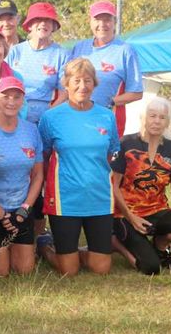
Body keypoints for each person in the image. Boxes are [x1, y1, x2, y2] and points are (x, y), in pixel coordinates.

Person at [37, 58, 120, 276]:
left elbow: (110, 153)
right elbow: (45, 155)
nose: (82, 86)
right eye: (76, 80)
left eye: (88, 81)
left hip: (99, 197)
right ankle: (46, 247)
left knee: (100, 268)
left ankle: (81, 253)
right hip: (65, 199)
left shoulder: (106, 116)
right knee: (69, 271)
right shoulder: (51, 117)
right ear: (66, 83)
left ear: (95, 84)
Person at [111, 97, 171, 274]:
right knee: (151, 268)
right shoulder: (125, 144)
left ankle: (160, 245)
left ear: (167, 122)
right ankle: (116, 243)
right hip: (126, 214)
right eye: (152, 116)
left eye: (162, 117)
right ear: (142, 118)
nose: (157, 121)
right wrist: (130, 217)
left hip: (157, 210)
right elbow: (113, 186)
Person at [0, 77, 43, 276]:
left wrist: (25, 209)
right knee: (0, 272)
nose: (11, 101)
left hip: (22, 208)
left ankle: (42, 245)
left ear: (23, 100)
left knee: (24, 270)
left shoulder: (31, 130)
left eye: (17, 97)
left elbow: (38, 174)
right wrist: (0, 213)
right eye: (5, 96)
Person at [70, 0, 143, 136]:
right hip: (77, 121)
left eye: (107, 20)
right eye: (97, 19)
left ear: (114, 22)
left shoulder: (125, 50)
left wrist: (110, 102)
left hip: (106, 124)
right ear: (90, 21)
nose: (102, 24)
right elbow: (66, 84)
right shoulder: (79, 48)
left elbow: (137, 93)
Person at [6, 2, 69, 124]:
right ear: (29, 25)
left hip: (45, 118)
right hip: (14, 115)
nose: (43, 23)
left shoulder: (61, 55)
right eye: (38, 19)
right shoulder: (15, 51)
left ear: (53, 26)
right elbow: (0, 85)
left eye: (48, 20)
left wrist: (48, 114)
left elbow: (65, 92)